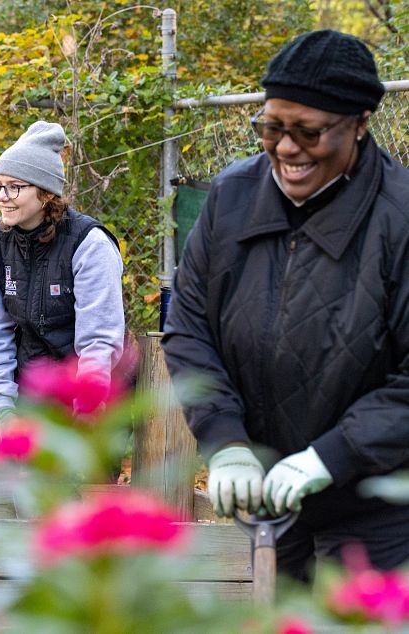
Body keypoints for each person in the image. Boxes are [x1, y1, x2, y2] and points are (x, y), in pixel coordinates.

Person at [162, 30, 409, 581]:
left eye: (310, 132)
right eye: (272, 127)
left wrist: (333, 455)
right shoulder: (231, 198)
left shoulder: (400, 220)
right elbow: (189, 327)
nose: (287, 148)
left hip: (383, 509)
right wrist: (225, 441)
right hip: (271, 498)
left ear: (361, 124)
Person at [0, 120, 125, 424]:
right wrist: (4, 407)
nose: (2, 196)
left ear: (46, 193)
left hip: (90, 397)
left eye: (15, 187)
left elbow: (99, 338)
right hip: (28, 396)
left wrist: (88, 410)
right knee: (12, 472)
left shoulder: (89, 245)